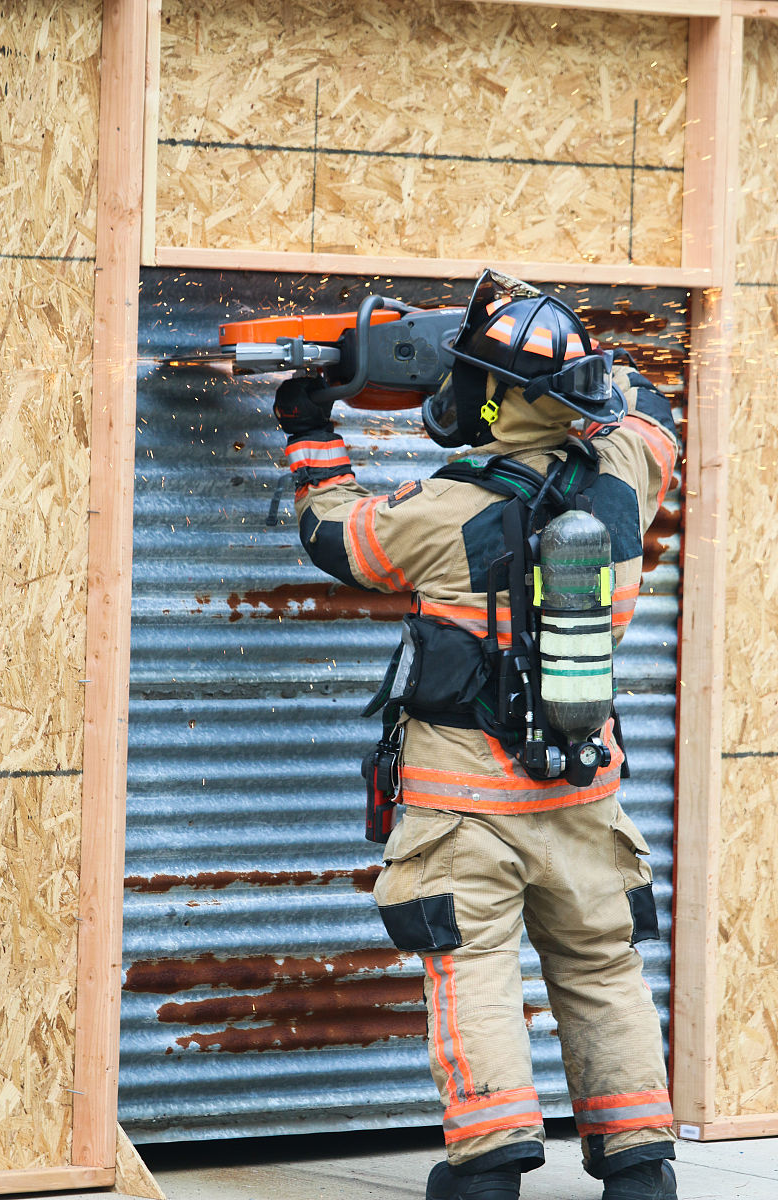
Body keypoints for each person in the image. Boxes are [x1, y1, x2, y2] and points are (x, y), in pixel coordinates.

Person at [272, 270, 680, 1200]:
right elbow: (652, 415)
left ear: (489, 397)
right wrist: (571, 366)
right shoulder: (626, 476)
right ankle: (640, 1167)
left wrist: (311, 433)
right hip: (584, 794)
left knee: (472, 972)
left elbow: (335, 538)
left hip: (466, 808)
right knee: (601, 969)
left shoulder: (444, 508)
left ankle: (489, 1170)